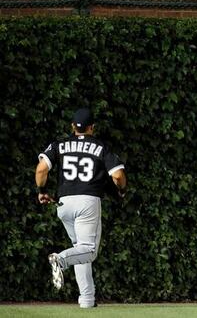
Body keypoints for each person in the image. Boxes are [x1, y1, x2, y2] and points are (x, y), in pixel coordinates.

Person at [36, 108, 127, 309]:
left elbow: (42, 168)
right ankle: (60, 260)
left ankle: (86, 299)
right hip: (87, 202)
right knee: (90, 251)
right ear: (92, 128)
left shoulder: (59, 144)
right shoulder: (99, 146)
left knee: (80, 248)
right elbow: (118, 175)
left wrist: (42, 190)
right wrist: (121, 191)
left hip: (64, 204)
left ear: (72, 127)